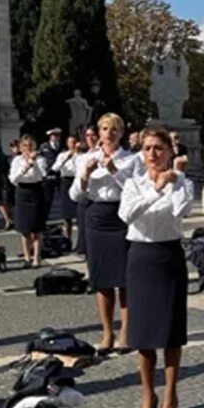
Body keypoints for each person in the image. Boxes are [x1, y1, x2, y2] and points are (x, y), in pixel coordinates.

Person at [119, 126, 194, 408]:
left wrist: (174, 182)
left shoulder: (183, 183)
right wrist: (156, 188)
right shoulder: (133, 184)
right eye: (148, 148)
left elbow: (181, 210)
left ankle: (170, 394)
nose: (153, 154)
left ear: (169, 152)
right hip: (141, 256)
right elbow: (127, 214)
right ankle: (148, 394)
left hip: (169, 256)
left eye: (159, 148)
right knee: (144, 333)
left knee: (170, 331)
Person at [70, 113, 139, 353]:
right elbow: (75, 195)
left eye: (114, 129)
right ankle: (107, 333)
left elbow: (134, 190)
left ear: (121, 133)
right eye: (105, 128)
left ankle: (126, 333)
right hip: (96, 216)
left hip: (120, 216)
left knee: (124, 280)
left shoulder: (131, 159)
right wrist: (85, 175)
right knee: (102, 280)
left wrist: (114, 171)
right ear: (98, 133)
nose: (109, 133)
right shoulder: (86, 158)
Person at [10, 135, 48, 267]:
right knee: (24, 228)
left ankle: (37, 257)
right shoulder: (17, 161)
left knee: (36, 228)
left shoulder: (41, 159)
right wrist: (26, 167)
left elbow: (42, 175)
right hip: (22, 192)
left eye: (30, 145)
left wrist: (34, 163)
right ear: (21, 147)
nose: (28, 148)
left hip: (35, 191)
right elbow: (13, 179)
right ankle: (27, 257)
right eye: (25, 146)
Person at [52, 134, 81, 245]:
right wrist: (67, 157)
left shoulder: (81, 156)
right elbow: (55, 168)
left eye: (74, 142)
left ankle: (79, 241)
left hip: (76, 180)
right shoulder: (62, 155)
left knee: (78, 213)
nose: (72, 145)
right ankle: (67, 240)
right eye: (70, 142)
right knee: (66, 214)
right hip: (66, 181)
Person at [75, 125, 99, 258]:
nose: (90, 138)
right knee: (84, 230)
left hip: (98, 198)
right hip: (84, 197)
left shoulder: (103, 153)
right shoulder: (81, 157)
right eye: (88, 135)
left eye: (93, 134)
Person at [39, 128, 62, 229]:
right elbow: (40, 159)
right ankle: (45, 216)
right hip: (48, 174)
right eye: (54, 135)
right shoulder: (44, 147)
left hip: (59, 174)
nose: (56, 137)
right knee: (47, 197)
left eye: (57, 136)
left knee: (61, 196)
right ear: (50, 136)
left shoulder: (61, 146)